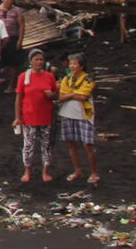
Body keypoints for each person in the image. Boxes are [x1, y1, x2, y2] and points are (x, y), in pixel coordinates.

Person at [14, 48, 57, 182]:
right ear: (31, 61)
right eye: (37, 59)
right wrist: (17, 117)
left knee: (46, 145)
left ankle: (45, 171)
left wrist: (52, 95)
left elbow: (56, 94)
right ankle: (27, 171)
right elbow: (19, 98)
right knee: (28, 145)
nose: (39, 62)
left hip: (46, 116)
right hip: (29, 117)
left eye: (41, 59)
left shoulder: (49, 76)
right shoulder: (24, 77)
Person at [58, 52, 99, 184]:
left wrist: (69, 94)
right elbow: (61, 97)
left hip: (83, 115)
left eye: (74, 63)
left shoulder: (88, 79)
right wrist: (74, 94)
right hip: (68, 113)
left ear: (81, 66)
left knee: (87, 144)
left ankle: (94, 172)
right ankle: (77, 170)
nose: (72, 66)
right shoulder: (66, 79)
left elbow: (84, 96)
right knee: (71, 144)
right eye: (71, 63)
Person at [0, 0, 26, 94]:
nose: (9, 1)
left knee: (13, 63)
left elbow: (21, 26)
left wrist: (20, 40)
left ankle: (11, 85)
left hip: (13, 38)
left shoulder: (17, 11)